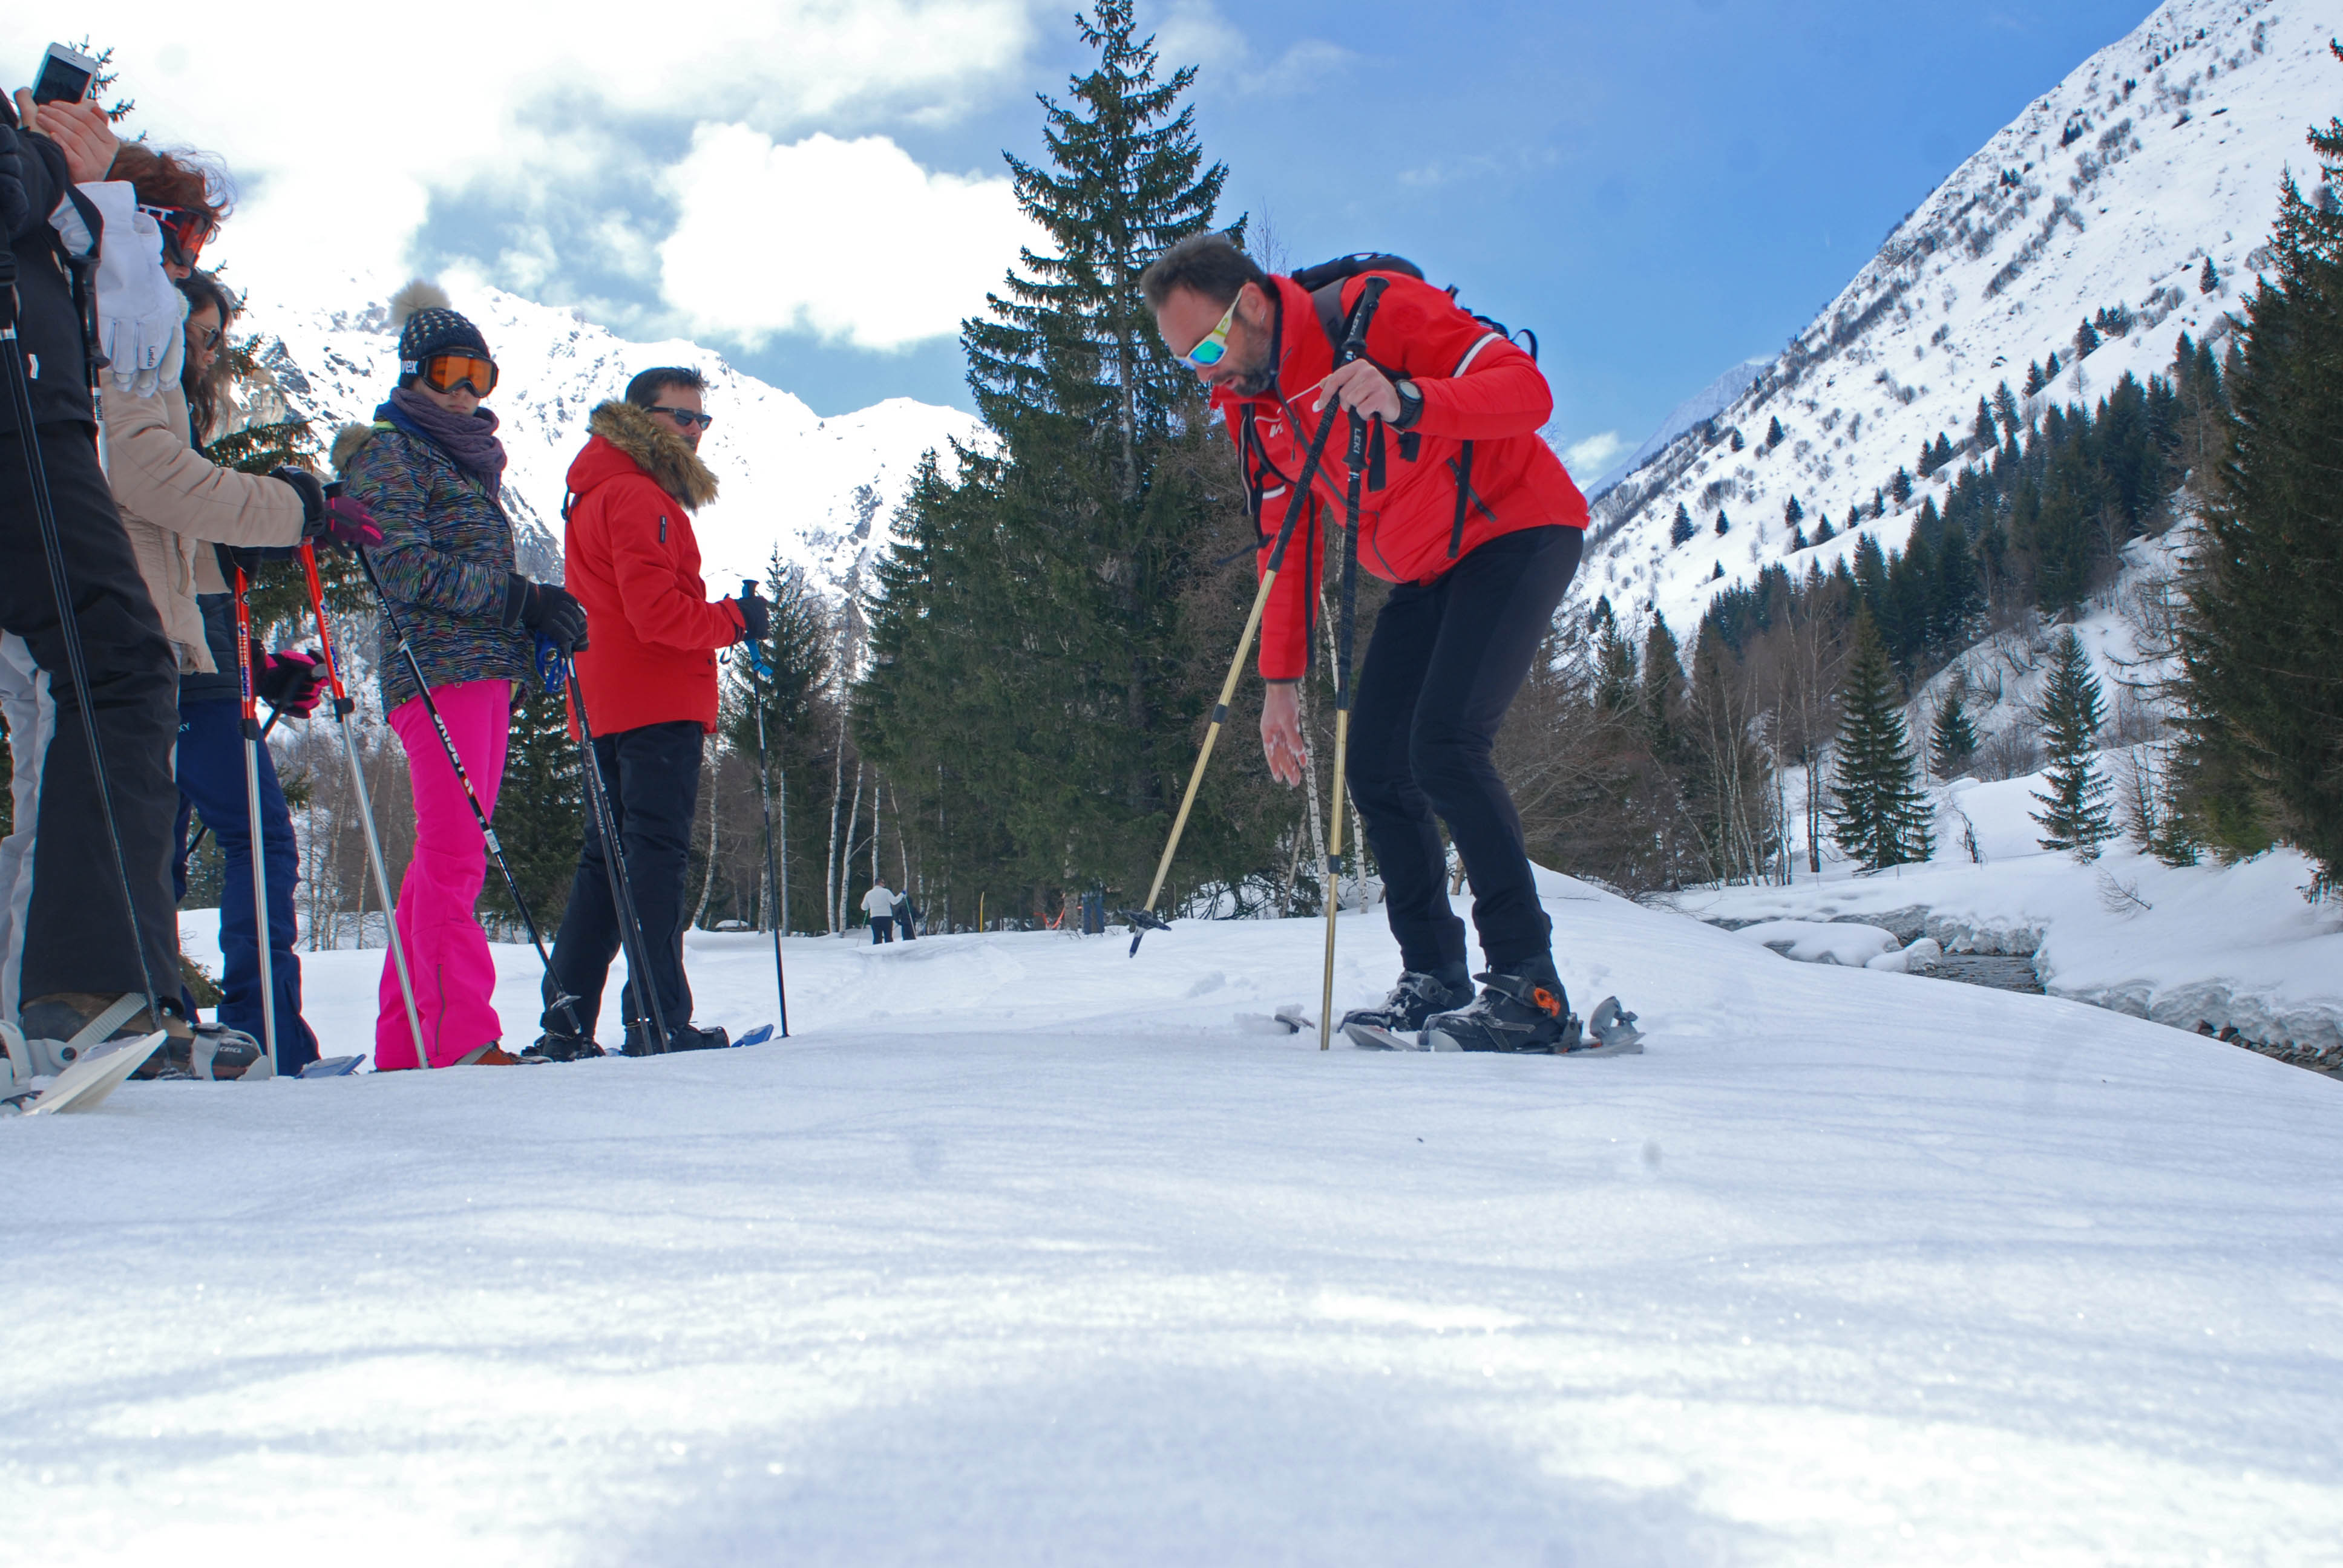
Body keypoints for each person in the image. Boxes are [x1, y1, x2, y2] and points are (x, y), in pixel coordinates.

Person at [1140, 233, 1591, 1053]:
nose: (1203, 374)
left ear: (1249, 303)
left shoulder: (1378, 312)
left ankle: (1531, 984)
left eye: (1206, 347)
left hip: (1517, 528)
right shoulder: (1254, 411)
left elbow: (1527, 393)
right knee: (1379, 765)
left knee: (1445, 746)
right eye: (1185, 362)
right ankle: (1435, 977)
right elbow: (1289, 546)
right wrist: (1280, 687)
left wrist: (1411, 398)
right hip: (1426, 571)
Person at [335, 282, 586, 1069]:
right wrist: (520, 598)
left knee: (441, 857)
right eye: (450, 370)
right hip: (437, 667)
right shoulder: (390, 452)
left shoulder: (458, 460)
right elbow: (400, 565)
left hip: (478, 670)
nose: (468, 389)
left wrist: (533, 618)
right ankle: (458, 1035)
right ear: (414, 372)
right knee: (455, 855)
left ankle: (408, 1040)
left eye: (482, 373)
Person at [137, 266, 380, 1076]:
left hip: (184, 661)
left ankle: (157, 1018)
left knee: (157, 846)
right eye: (197, 336)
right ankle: (260, 1025)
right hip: (177, 667)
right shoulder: (144, 414)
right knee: (259, 838)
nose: (206, 355)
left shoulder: (168, 415)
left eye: (214, 340)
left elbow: (189, 567)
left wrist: (265, 669)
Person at [0, 89, 190, 1085]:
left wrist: (98, 190)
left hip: (45, 411)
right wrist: (38, 155)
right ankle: (82, 989)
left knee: (108, 669)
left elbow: (140, 338)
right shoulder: (27, 153)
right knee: (112, 664)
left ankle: (104, 986)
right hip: (21, 415)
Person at [529, 367, 765, 1060]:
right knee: (654, 859)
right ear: (642, 420)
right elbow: (658, 615)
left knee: (605, 864)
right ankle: (658, 1018)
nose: (694, 433)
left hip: (602, 700)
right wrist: (737, 620)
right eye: (681, 418)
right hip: (655, 701)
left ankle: (567, 1025)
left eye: (702, 421)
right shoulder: (639, 495)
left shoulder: (595, 490)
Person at [861, 880, 896, 945]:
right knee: (888, 937)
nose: (884, 884)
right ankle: (890, 952)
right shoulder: (886, 892)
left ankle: (877, 952)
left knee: (877, 937)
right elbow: (894, 901)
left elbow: (864, 907)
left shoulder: (869, 893)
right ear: (880, 883)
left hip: (875, 918)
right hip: (887, 917)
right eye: (883, 883)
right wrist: (902, 894)